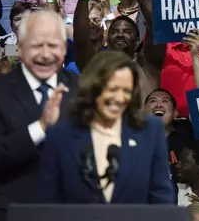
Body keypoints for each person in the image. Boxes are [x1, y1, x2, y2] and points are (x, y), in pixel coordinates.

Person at [0, 10, 77, 221]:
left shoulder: (84, 91)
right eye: (37, 45)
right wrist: (40, 127)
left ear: (65, 48)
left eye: (53, 45)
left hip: (71, 211)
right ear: (20, 48)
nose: (45, 54)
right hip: (9, 212)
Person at [37, 50, 174, 204]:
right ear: (93, 87)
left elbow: (162, 199)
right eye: (113, 89)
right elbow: (48, 202)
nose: (120, 98)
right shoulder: (60, 136)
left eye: (126, 91)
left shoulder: (149, 132)